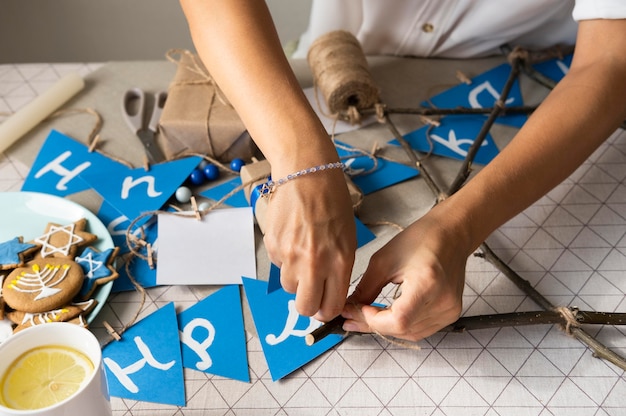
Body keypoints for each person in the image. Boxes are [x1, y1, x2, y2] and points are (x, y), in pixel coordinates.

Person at [179, 0, 626, 342]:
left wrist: (458, 225)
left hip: (522, 86)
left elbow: (610, 61)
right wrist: (300, 156)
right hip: (326, 64)